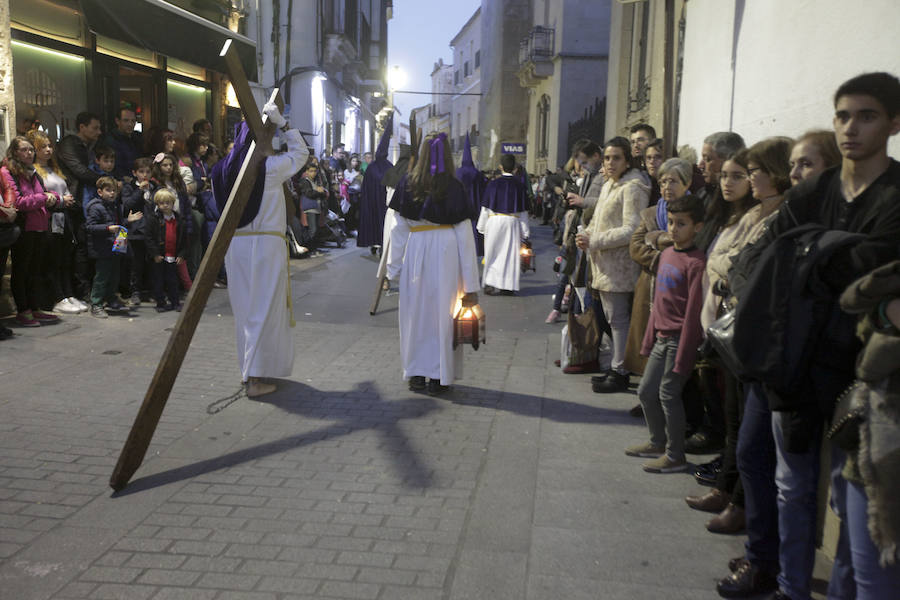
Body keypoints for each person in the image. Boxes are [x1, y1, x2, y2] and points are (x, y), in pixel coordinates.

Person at [721, 72, 900, 600]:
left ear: (893, 122)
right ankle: (788, 588)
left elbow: (875, 274)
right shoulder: (813, 191)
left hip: (863, 374)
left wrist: (806, 256)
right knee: (791, 486)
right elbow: (755, 258)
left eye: (866, 116)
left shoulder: (895, 195)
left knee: (852, 500)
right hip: (793, 360)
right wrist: (829, 255)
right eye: (842, 116)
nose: (850, 128)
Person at [213, 103, 309, 398]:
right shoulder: (267, 167)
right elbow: (301, 155)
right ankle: (255, 379)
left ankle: (248, 371)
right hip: (265, 244)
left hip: (236, 245)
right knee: (263, 309)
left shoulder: (221, 170)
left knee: (244, 310)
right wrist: (286, 125)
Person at [684, 149, 756, 528]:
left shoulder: (756, 218)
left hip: (736, 328)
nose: (726, 181)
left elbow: (738, 264)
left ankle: (736, 497)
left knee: (737, 419)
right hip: (716, 320)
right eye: (724, 174)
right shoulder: (726, 214)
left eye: (738, 174)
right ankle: (725, 487)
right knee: (729, 415)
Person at [387, 132, 480, 395]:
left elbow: (398, 229)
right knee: (444, 313)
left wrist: (393, 269)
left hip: (416, 251)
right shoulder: (455, 187)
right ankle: (440, 375)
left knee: (415, 313)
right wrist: (471, 283)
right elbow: (465, 237)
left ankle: (416, 372)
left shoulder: (407, 183)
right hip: (447, 253)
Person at [626, 194, 706, 472]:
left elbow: (694, 314)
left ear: (697, 227)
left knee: (669, 395)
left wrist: (685, 353)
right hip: (660, 339)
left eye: (681, 224)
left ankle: (676, 455)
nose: (673, 229)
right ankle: (657, 441)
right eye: (671, 222)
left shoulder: (697, 263)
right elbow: (657, 302)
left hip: (679, 342)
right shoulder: (666, 255)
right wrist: (649, 338)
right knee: (647, 392)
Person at [576, 136, 650, 391]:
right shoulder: (610, 184)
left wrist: (594, 240)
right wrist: (585, 234)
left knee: (618, 319)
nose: (609, 162)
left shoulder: (633, 187)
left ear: (627, 160)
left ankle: (621, 371)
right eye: (607, 157)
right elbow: (598, 219)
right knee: (609, 317)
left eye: (616, 157)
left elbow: (632, 229)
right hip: (601, 264)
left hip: (619, 266)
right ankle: (618, 365)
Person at [624, 157, 690, 377]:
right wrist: (662, 253)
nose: (667, 187)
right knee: (647, 338)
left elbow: (691, 247)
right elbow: (635, 247)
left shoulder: (696, 213)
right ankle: (647, 392)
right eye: (662, 182)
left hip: (678, 289)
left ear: (686, 183)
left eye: (673, 181)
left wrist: (656, 239)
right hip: (649, 285)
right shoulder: (652, 213)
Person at [2, 137, 61, 327]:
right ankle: (23, 310)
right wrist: (44, 198)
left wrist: (55, 198)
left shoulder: (33, 172)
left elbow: (44, 194)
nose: (29, 153)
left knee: (36, 270)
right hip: (24, 227)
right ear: (15, 152)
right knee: (22, 270)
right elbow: (18, 202)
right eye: (24, 150)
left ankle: (35, 308)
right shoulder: (7, 171)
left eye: (30, 150)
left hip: (40, 225)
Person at [28, 131, 83, 314]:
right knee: (52, 259)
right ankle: (57, 297)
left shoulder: (55, 169)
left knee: (65, 258)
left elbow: (64, 189)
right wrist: (61, 200)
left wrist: (67, 200)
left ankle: (68, 294)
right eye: (43, 147)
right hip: (49, 218)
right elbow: (42, 196)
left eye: (50, 145)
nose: (48, 150)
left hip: (63, 217)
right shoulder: (34, 171)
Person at [57, 111, 103, 302]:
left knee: (88, 246)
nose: (99, 132)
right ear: (82, 127)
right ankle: (78, 292)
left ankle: (92, 290)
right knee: (79, 248)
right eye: (95, 128)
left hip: (86, 201)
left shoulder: (88, 146)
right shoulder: (70, 144)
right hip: (74, 203)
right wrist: (104, 180)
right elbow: (80, 171)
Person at [85, 176, 141, 318]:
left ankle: (111, 299)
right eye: (108, 190)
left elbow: (117, 223)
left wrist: (127, 221)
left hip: (116, 245)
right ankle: (96, 304)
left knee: (114, 275)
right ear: (100, 192)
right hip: (103, 247)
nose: (111, 193)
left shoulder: (115, 205)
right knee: (102, 277)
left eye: (114, 191)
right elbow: (90, 227)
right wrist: (108, 228)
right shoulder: (95, 207)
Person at [477, 154, 530, 296]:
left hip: (494, 220)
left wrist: (481, 226)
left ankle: (489, 283)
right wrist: (525, 233)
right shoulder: (520, 185)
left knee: (492, 253)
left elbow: (486, 207)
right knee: (509, 255)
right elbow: (523, 211)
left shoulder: (493, 184)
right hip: (512, 222)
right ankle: (508, 285)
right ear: (515, 168)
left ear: (500, 167)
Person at [150, 152, 193, 292]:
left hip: (178, 222)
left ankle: (184, 287)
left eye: (170, 165)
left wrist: (188, 224)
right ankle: (164, 291)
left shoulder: (178, 181)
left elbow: (186, 205)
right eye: (164, 165)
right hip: (162, 224)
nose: (168, 168)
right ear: (159, 167)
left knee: (180, 258)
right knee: (164, 260)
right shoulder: (155, 182)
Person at [144, 189, 186, 312]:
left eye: (168, 202)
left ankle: (175, 302)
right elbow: (149, 238)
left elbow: (184, 239)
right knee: (158, 280)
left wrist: (182, 254)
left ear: (173, 203)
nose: (165, 205)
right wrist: (155, 254)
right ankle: (160, 303)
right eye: (162, 203)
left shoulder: (179, 219)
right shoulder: (153, 218)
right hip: (159, 257)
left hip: (173, 256)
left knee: (173, 280)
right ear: (157, 204)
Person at [121, 157, 155, 305]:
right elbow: (127, 204)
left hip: (151, 230)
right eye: (141, 172)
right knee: (136, 263)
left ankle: (148, 290)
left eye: (148, 171)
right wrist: (140, 190)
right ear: (135, 173)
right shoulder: (129, 187)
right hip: (136, 231)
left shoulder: (154, 187)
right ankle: (135, 291)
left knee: (150, 262)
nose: (145, 175)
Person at [356, 113, 393, 250]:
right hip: (380, 202)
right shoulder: (386, 166)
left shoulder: (376, 167)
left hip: (380, 202)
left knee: (381, 222)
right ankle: (378, 244)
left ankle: (379, 243)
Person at [455, 133, 487, 257]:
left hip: (461, 206)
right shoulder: (477, 174)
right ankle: (476, 248)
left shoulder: (458, 173)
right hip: (475, 204)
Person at [294, 161, 328, 257]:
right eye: (311, 171)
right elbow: (309, 193)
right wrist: (318, 191)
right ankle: (310, 250)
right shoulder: (304, 181)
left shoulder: (316, 180)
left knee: (316, 230)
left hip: (317, 208)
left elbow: (322, 192)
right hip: (310, 208)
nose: (313, 173)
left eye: (315, 171)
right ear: (307, 172)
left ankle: (314, 249)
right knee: (312, 230)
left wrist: (321, 192)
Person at [104, 107, 142, 179]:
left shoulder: (137, 138)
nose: (130, 124)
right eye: (126, 120)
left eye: (133, 121)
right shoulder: (111, 140)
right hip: (121, 181)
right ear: (117, 121)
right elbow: (113, 167)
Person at [342, 154, 363, 233]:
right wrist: (354, 176)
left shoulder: (358, 171)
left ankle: (354, 227)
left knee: (356, 211)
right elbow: (347, 182)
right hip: (351, 193)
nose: (355, 163)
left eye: (356, 161)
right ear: (350, 162)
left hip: (358, 193)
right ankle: (349, 228)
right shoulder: (347, 171)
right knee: (350, 211)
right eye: (353, 161)